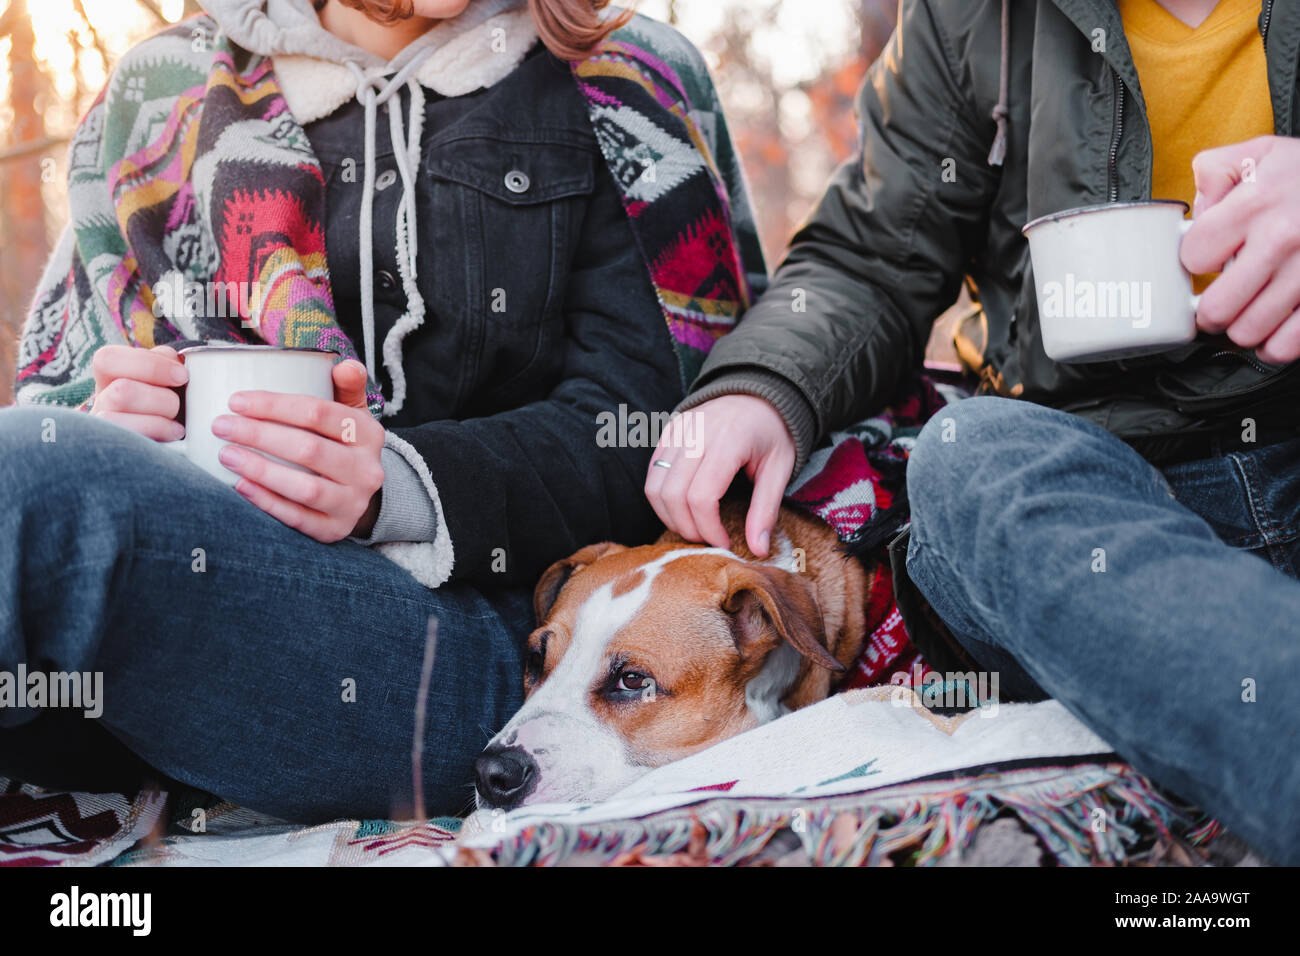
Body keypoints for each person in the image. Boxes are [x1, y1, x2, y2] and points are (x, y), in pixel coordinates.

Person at [0, 0, 763, 821]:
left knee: (32, 480)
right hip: (196, 604)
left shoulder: (624, 72)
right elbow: (58, 398)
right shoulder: (161, 92)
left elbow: (662, 429)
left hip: (505, 659)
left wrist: (399, 488)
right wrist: (110, 427)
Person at [647, 0, 1300, 863]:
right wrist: (764, 386)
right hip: (1064, 513)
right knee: (964, 457)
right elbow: (872, 256)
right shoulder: (971, 17)